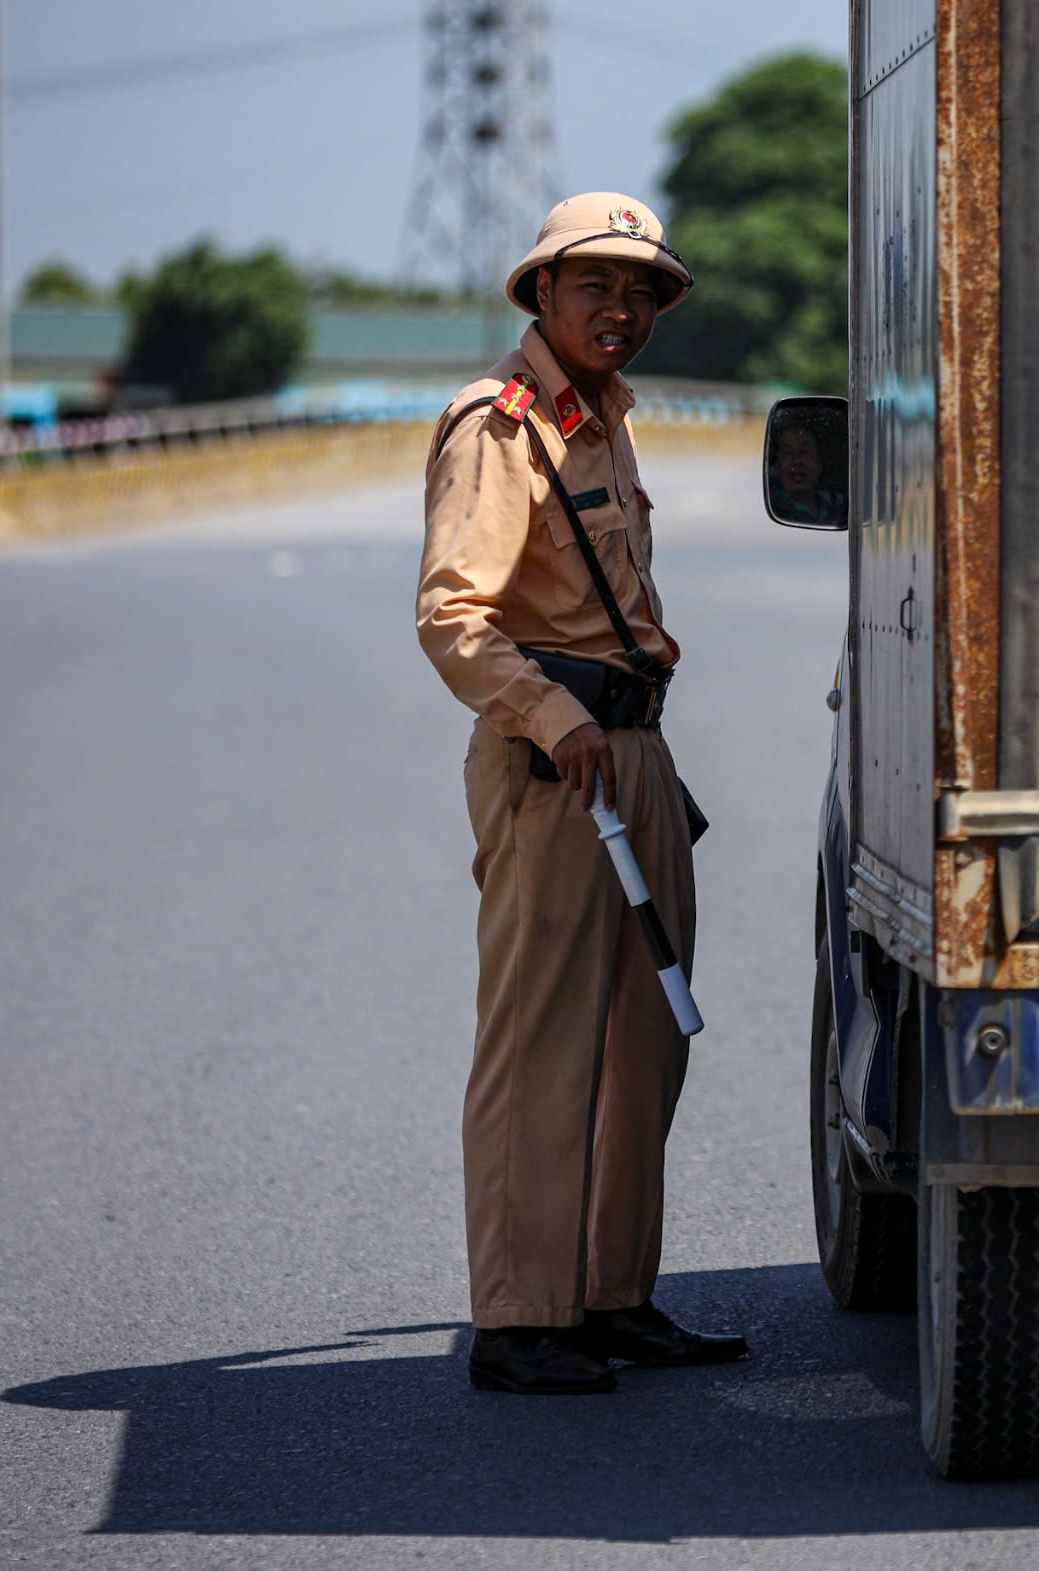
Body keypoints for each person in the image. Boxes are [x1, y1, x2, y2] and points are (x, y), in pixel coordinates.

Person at [415, 192, 749, 1394]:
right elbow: (453, 619)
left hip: (635, 750)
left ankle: (609, 1297)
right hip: (556, 762)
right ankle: (518, 1317)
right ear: (541, 295)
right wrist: (555, 722)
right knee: (542, 1041)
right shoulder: (500, 428)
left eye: (642, 291)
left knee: (644, 1036)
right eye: (595, 285)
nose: (621, 309)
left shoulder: (601, 418)